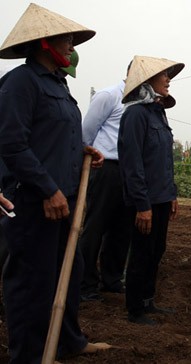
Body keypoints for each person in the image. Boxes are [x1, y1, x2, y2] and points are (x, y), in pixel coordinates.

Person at [0, 3, 111, 362]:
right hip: (33, 200)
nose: (71, 47)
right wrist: (48, 189)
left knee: (69, 272)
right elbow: (12, 145)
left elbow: (51, 137)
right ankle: (29, 355)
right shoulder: (20, 83)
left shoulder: (59, 85)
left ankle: (68, 342)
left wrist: (83, 150)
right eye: (65, 40)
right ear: (44, 43)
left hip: (64, 197)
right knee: (33, 282)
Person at [118, 55, 184, 325]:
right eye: (163, 75)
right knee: (142, 252)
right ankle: (135, 309)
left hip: (160, 197)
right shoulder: (135, 115)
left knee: (156, 251)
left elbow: (163, 160)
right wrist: (142, 205)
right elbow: (132, 164)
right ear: (147, 81)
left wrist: (172, 193)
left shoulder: (157, 112)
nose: (168, 79)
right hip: (144, 201)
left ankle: (148, 301)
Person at [79, 63, 133, 301]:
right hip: (105, 167)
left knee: (122, 228)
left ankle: (111, 279)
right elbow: (86, 133)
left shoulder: (140, 101)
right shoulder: (109, 96)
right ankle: (85, 283)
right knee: (95, 226)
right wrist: (88, 163)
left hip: (129, 171)